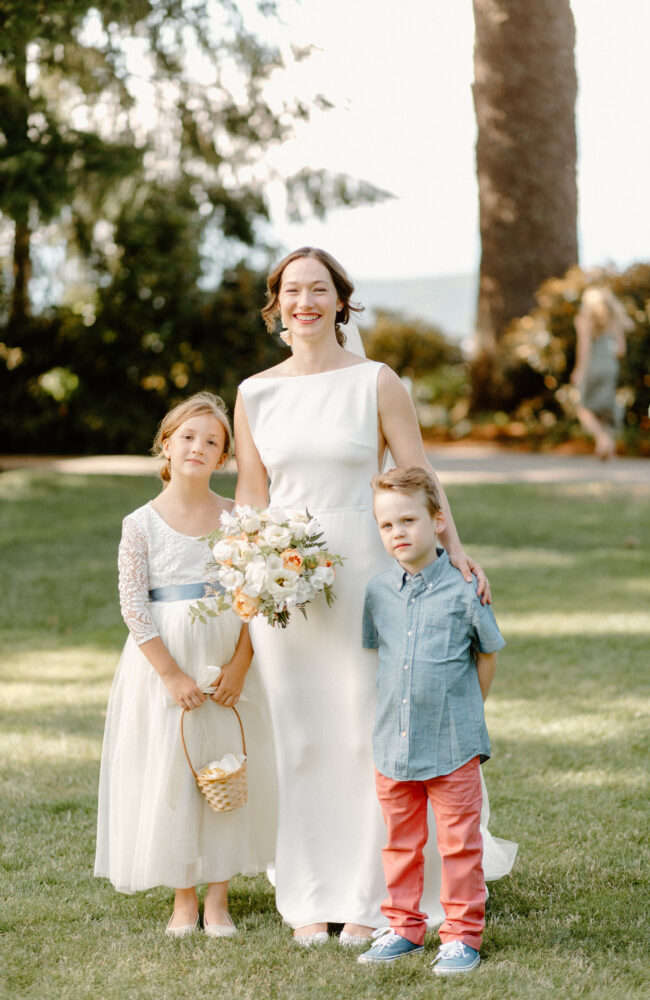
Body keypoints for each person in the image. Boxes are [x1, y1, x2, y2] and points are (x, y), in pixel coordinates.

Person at [233, 246, 516, 946]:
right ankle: (307, 893)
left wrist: (453, 549)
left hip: (368, 575)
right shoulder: (254, 393)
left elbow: (417, 475)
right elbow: (251, 495)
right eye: (291, 290)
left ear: (340, 300)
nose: (305, 301)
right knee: (300, 735)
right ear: (276, 306)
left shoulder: (375, 381)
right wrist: (247, 566)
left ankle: (368, 897)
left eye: (318, 289)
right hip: (285, 588)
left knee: (370, 731)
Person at [95, 392, 276, 936]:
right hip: (166, 661)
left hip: (225, 655)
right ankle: (183, 899)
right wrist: (170, 674)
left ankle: (218, 897)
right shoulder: (140, 523)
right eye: (188, 437)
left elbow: (255, 596)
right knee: (174, 766)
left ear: (224, 457)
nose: (199, 447)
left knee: (227, 765)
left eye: (213, 441)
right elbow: (132, 604)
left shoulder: (238, 518)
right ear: (166, 445)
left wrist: (241, 664)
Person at [358, 467, 505, 976]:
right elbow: (383, 658)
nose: (397, 532)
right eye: (386, 525)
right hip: (393, 745)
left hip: (453, 743)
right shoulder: (378, 593)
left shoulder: (467, 589)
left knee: (459, 843)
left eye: (408, 520)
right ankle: (403, 927)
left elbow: (487, 656)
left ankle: (462, 936)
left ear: (437, 520)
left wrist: (465, 707)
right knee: (400, 842)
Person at [571, 286, 631, 459]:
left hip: (592, 366)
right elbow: (621, 350)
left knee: (583, 408)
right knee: (605, 408)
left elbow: (584, 346)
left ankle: (602, 438)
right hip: (610, 366)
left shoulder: (584, 319)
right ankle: (608, 449)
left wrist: (579, 370)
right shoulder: (614, 320)